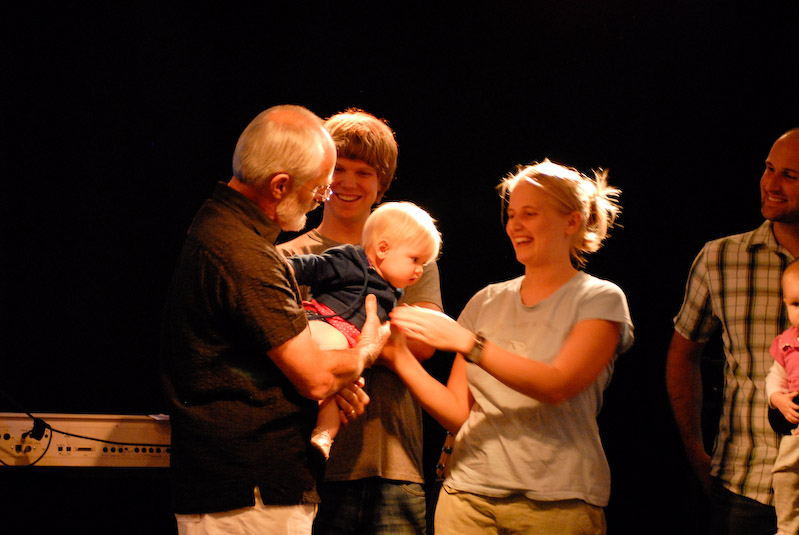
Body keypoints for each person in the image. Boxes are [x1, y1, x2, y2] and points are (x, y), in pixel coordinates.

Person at [160, 104, 390, 535]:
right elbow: (316, 379)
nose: (321, 199)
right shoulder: (243, 254)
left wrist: (332, 380)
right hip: (248, 494)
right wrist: (366, 350)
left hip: (238, 490)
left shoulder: (219, 230)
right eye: (319, 190)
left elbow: (264, 362)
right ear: (280, 185)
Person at [384, 159, 634, 535]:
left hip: (558, 502)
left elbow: (557, 385)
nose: (515, 225)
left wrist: (468, 343)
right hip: (468, 497)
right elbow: (457, 413)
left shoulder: (600, 298)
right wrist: (398, 356)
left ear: (572, 221)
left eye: (530, 214)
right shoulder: (485, 301)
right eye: (512, 214)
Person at [278, 108, 443, 535]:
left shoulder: (412, 256)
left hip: (393, 463)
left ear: (381, 184)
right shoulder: (289, 257)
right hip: (308, 466)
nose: (348, 183)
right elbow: (277, 346)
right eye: (339, 169)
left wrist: (343, 355)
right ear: (320, 174)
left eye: (364, 172)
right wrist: (377, 343)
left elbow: (424, 344)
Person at [666, 128, 799, 535]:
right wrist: (697, 454)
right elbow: (682, 355)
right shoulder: (721, 258)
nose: (771, 184)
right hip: (744, 487)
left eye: (790, 175)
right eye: (768, 168)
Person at [286, 201, 441, 460]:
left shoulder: (393, 292)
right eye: (415, 260)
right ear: (382, 249)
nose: (419, 270)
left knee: (344, 389)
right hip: (322, 325)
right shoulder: (352, 260)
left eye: (423, 263)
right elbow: (315, 266)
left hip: (348, 347)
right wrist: (285, 268)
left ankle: (323, 435)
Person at [765, 259, 799, 535]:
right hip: (796, 432)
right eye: (796, 305)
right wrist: (779, 399)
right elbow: (775, 378)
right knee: (785, 474)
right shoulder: (786, 342)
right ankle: (787, 528)